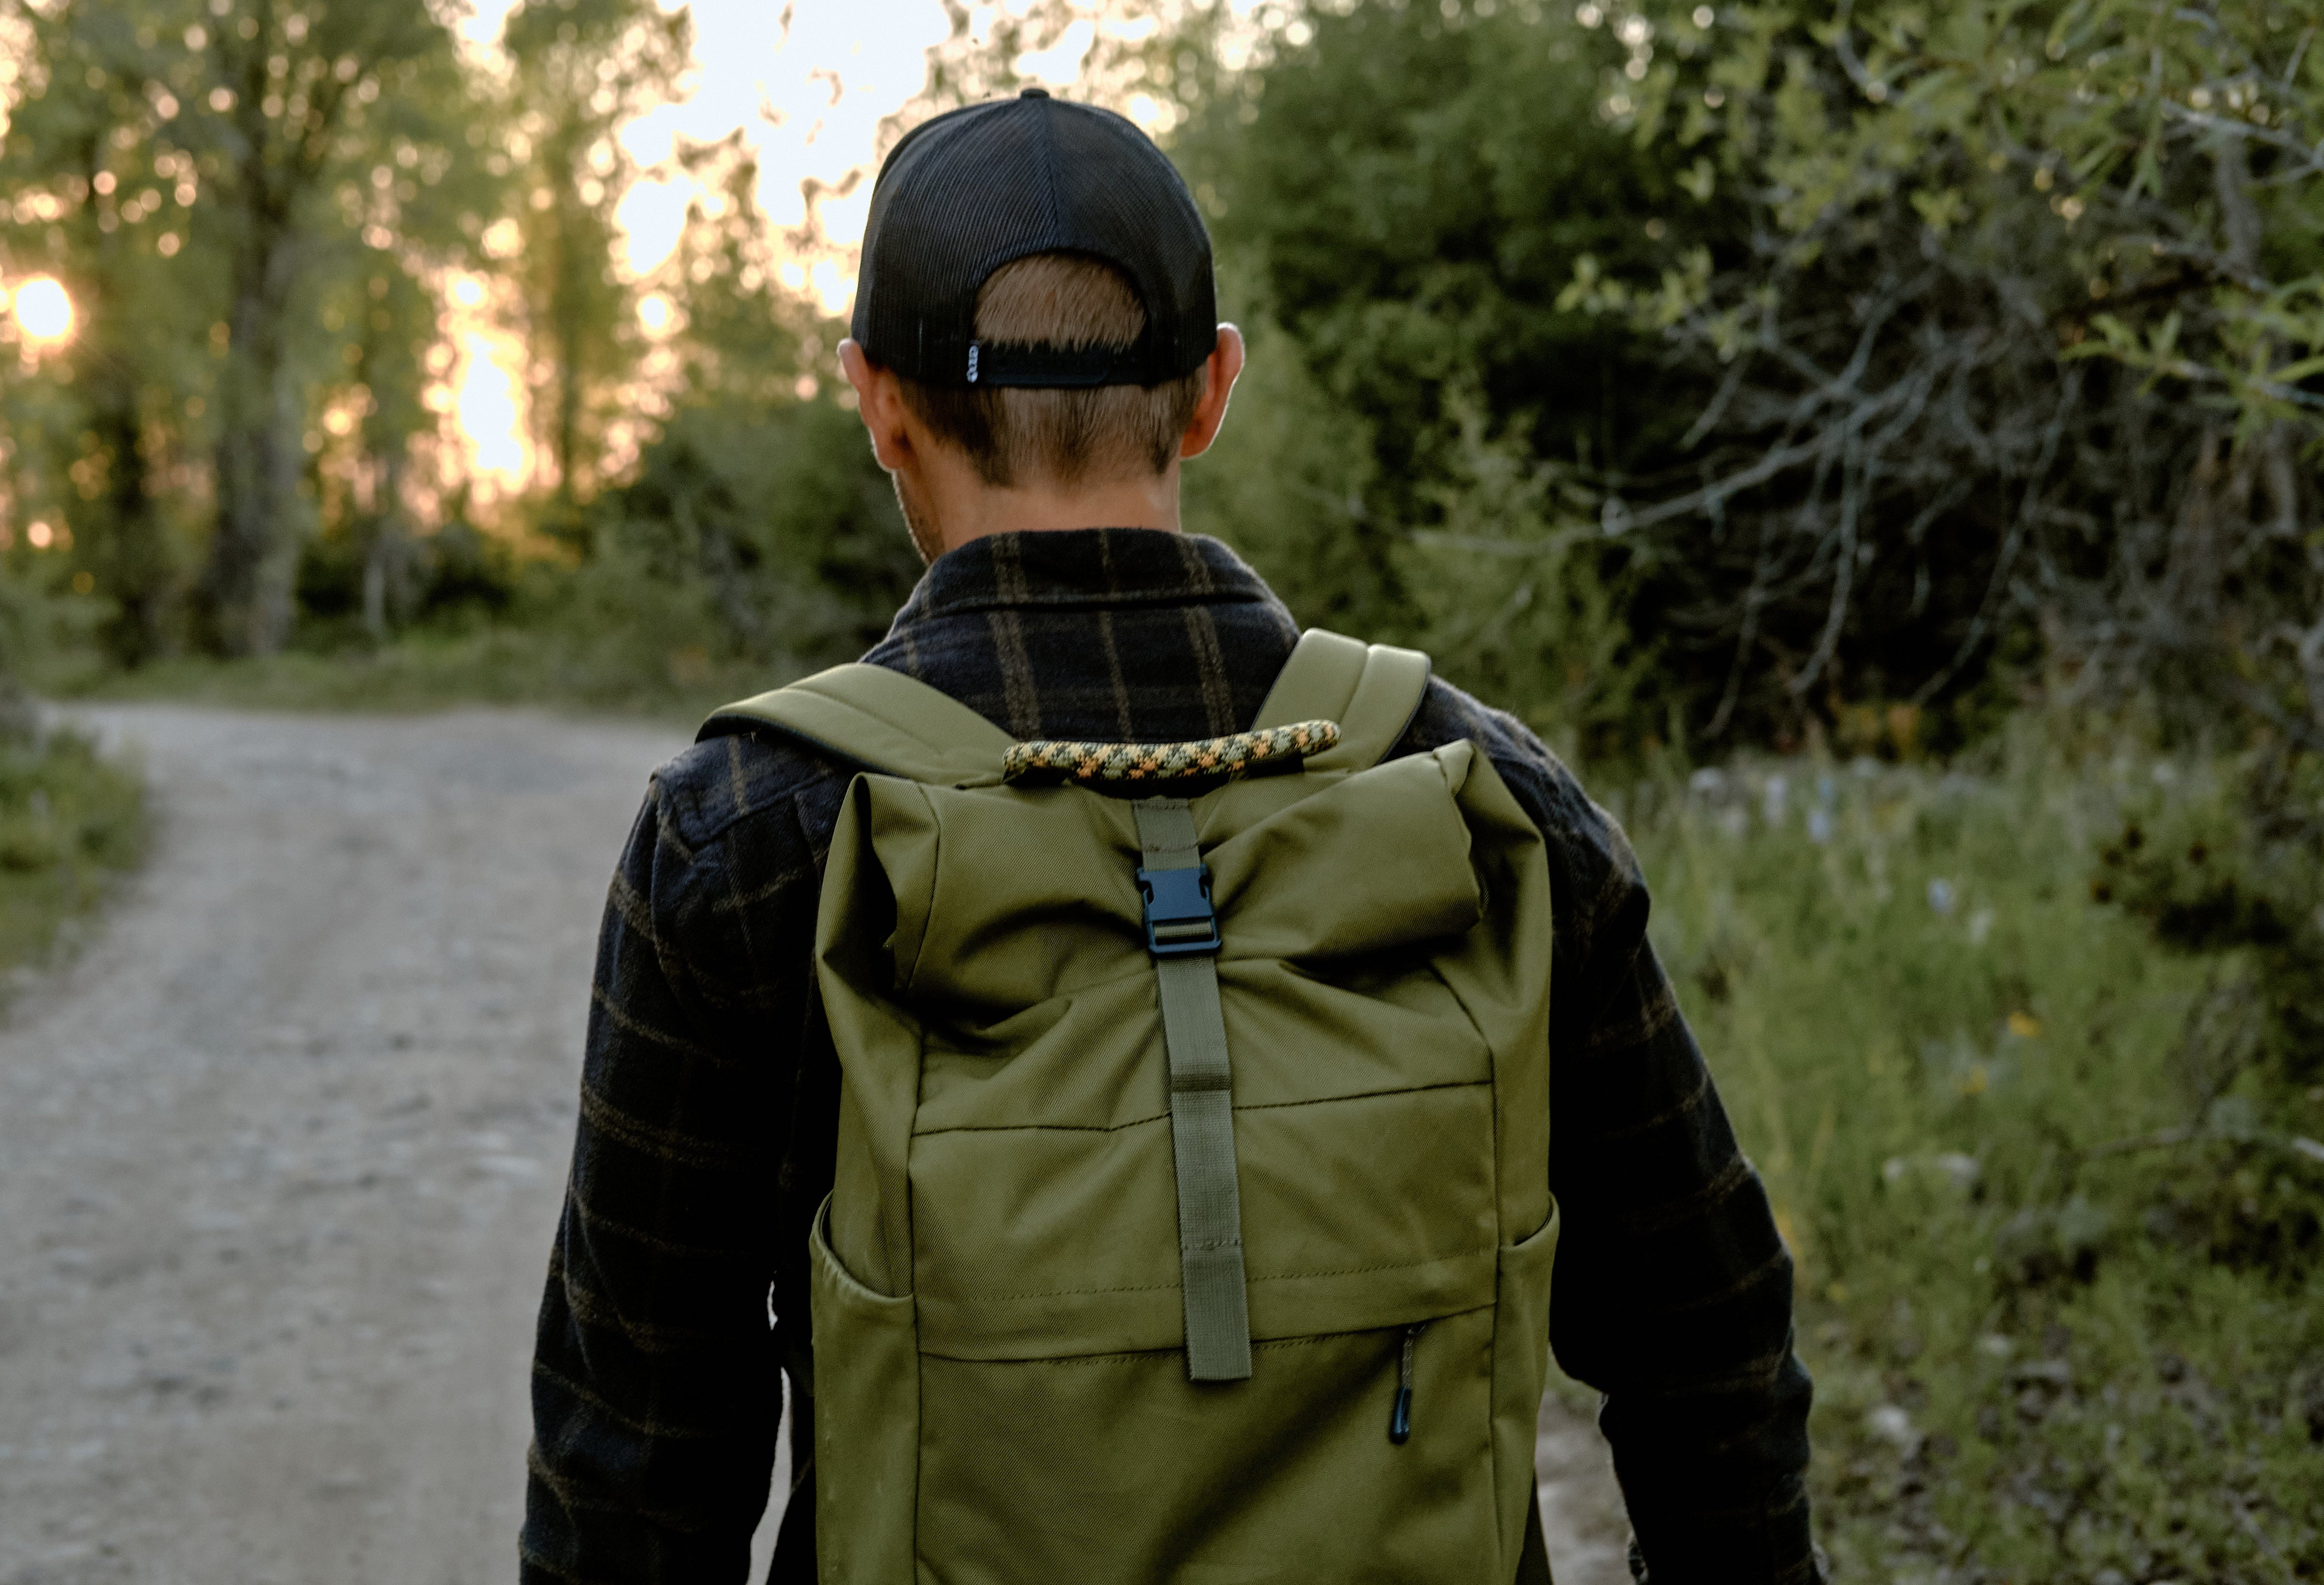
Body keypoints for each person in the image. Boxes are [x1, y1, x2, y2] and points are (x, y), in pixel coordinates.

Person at [520, 89, 1814, 1585]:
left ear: (877, 400)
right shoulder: (1484, 800)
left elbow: (635, 1455)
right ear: (1211, 391)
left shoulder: (747, 835)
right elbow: (1712, 1344)